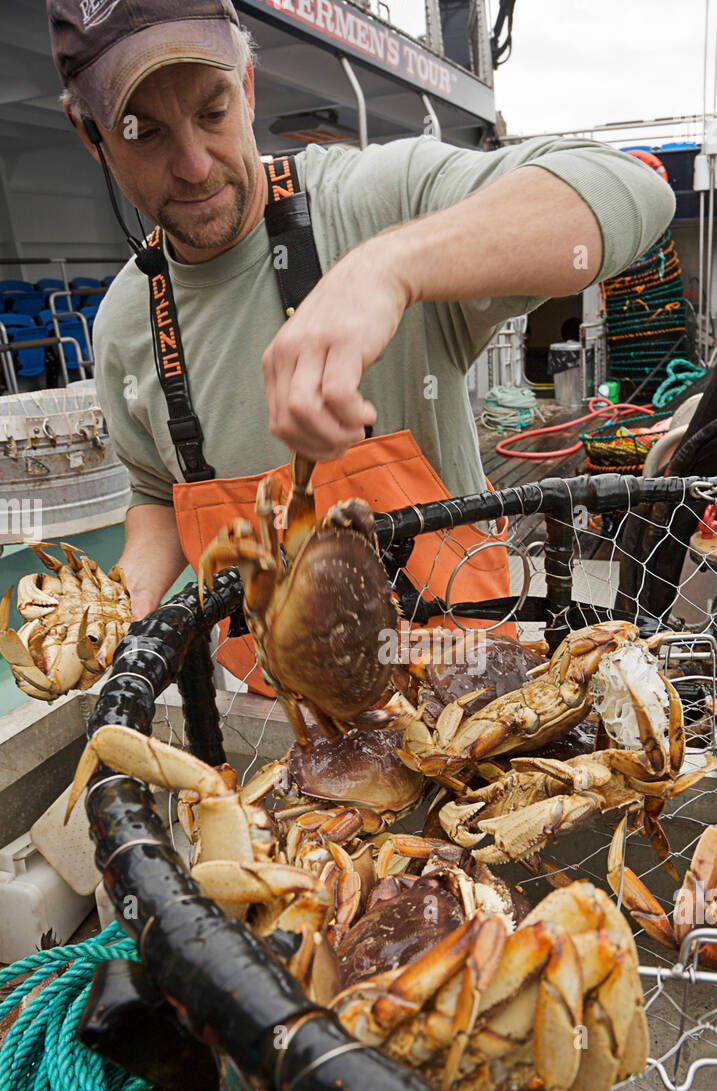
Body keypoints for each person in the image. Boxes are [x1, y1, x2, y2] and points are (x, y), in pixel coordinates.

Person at [48, 0, 675, 690]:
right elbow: (157, 489)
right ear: (90, 133)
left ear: (248, 87)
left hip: (460, 691)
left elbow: (629, 190)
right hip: (277, 716)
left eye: (213, 111)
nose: (194, 164)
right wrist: (127, 597)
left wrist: (390, 269)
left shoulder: (372, 203)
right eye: (144, 133)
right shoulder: (125, 324)